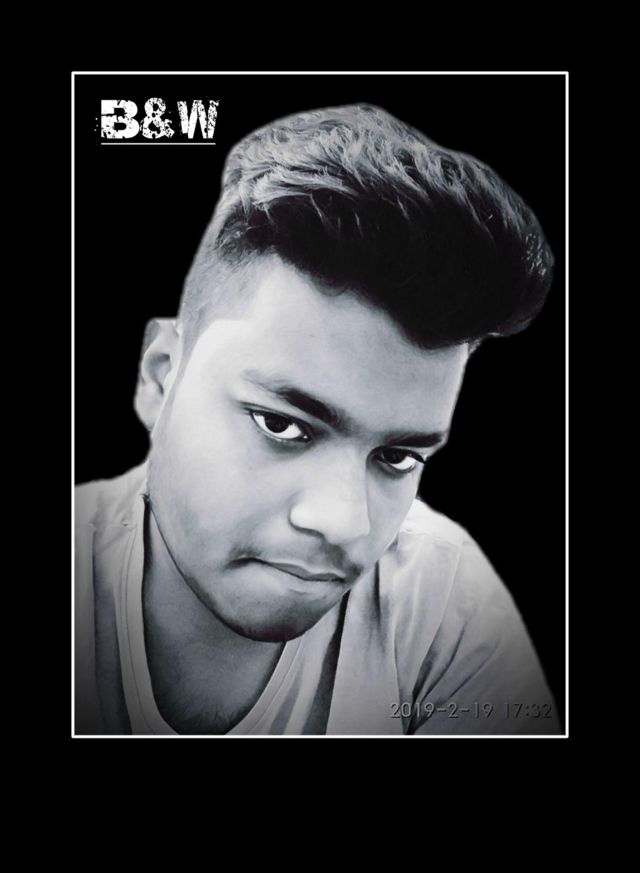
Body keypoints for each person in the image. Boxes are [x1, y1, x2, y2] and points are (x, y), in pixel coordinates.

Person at [74, 103, 561, 736]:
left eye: (397, 457)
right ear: (162, 377)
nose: (345, 522)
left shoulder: (441, 601)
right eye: (281, 425)